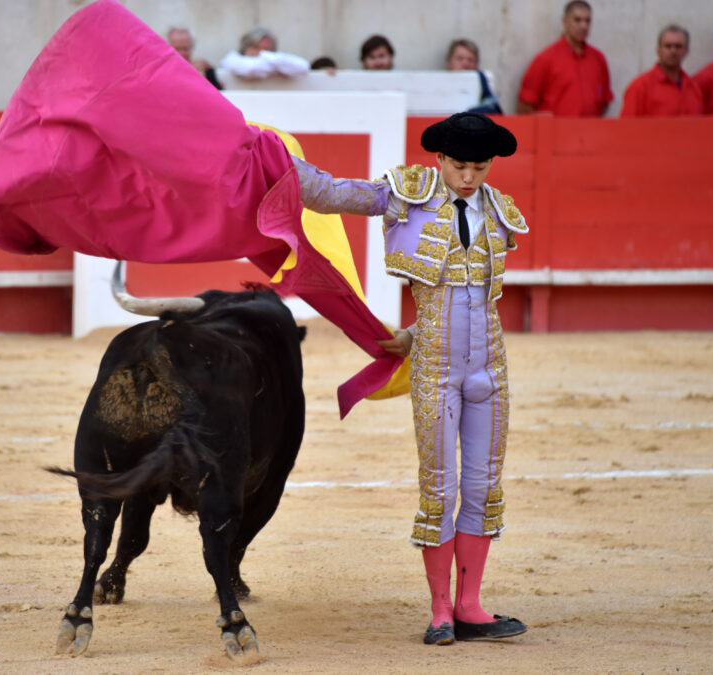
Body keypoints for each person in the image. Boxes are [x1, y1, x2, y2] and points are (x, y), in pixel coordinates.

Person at [291, 112, 528, 646]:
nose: (469, 177)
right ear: (439, 160)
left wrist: (417, 330)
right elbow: (333, 194)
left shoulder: (499, 211)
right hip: (437, 370)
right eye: (459, 165)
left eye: (479, 167)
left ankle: (470, 605)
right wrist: (279, 165)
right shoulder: (410, 194)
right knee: (439, 487)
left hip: (489, 366)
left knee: (484, 487)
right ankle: (441, 608)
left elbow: (471, 297)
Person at [517, 0, 613, 117]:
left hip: (590, 132)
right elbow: (525, 105)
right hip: (555, 133)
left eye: (588, 21)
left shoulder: (598, 59)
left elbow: (604, 102)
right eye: (577, 20)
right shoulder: (545, 59)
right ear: (565, 21)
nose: (583, 26)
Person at [620, 25, 703, 117]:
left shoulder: (693, 88)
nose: (673, 51)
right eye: (668, 46)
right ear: (658, 50)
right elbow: (626, 128)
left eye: (678, 46)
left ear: (686, 51)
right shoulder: (640, 87)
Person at [219, 27, 309, 79]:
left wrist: (263, 55)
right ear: (248, 46)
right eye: (257, 47)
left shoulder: (272, 58)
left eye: (267, 49)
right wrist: (276, 66)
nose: (263, 52)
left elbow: (303, 66)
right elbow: (250, 69)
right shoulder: (233, 58)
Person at [445, 38, 502, 114]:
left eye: (470, 60)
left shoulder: (482, 83)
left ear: (476, 65)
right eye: (459, 59)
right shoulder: (434, 85)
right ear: (449, 62)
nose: (465, 64)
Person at [165, 26, 222, 90]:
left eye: (185, 49)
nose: (181, 53)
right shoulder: (162, 71)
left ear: (192, 47)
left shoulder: (205, 69)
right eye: (177, 49)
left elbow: (218, 94)